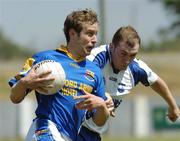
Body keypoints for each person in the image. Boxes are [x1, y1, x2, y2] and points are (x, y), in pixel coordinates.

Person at [8, 9, 110, 141]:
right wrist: (24, 83)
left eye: (96, 34)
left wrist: (101, 106)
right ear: (73, 34)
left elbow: (99, 122)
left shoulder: (95, 71)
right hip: (44, 130)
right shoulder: (44, 60)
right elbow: (14, 98)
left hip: (70, 136)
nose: (95, 40)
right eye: (90, 34)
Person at [77, 26, 180, 141]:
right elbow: (78, 79)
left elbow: (156, 82)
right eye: (123, 53)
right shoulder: (97, 57)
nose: (127, 60)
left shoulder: (136, 69)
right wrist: (103, 97)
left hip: (93, 133)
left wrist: (173, 106)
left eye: (133, 55)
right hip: (72, 125)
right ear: (112, 46)